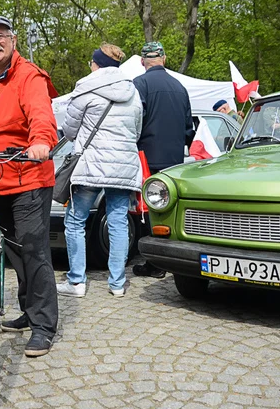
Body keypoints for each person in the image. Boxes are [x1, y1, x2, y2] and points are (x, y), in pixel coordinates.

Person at [0, 15, 59, 357]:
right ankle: (28, 310)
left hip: (28, 175)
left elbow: (41, 115)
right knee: (14, 251)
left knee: (34, 250)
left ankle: (44, 325)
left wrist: (40, 143)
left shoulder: (28, 75)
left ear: (13, 40)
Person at [57, 44, 143, 298]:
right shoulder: (133, 91)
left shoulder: (85, 89)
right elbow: (136, 131)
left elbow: (70, 131)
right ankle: (117, 284)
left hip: (92, 163)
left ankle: (77, 282)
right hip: (123, 164)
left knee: (75, 221)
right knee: (118, 222)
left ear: (96, 64)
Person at [131, 42, 194, 279]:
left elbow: (136, 120)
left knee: (150, 210)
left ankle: (155, 263)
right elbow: (189, 127)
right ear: (164, 59)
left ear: (142, 61)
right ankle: (171, 259)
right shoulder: (180, 87)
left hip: (148, 155)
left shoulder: (140, 84)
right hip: (175, 158)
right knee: (171, 209)